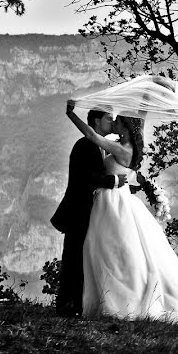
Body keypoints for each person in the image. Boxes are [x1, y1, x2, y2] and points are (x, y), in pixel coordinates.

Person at [65, 101, 178, 322]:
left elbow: (91, 134)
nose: (114, 122)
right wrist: (146, 95)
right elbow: (140, 120)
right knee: (112, 249)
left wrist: (71, 114)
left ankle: (119, 300)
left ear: (125, 127)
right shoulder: (133, 144)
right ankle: (107, 297)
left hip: (113, 203)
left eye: (117, 121)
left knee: (110, 249)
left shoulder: (119, 148)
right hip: (117, 200)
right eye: (111, 119)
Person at [50, 107, 127, 317]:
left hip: (91, 210)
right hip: (78, 210)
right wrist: (113, 181)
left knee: (83, 257)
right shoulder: (84, 145)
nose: (111, 123)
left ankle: (78, 304)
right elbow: (84, 177)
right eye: (108, 119)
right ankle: (67, 305)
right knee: (73, 257)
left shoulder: (100, 146)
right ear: (96, 122)